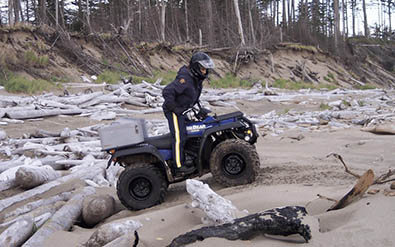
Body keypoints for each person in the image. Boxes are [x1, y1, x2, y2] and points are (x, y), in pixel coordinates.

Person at [162, 52, 215, 175]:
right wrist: (175, 109)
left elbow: (191, 97)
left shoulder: (196, 79)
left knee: (193, 131)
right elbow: (167, 92)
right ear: (196, 67)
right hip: (173, 111)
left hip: (184, 109)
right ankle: (178, 166)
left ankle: (191, 157)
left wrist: (199, 110)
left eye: (206, 69)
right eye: (202, 69)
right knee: (180, 136)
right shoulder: (185, 79)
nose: (204, 72)